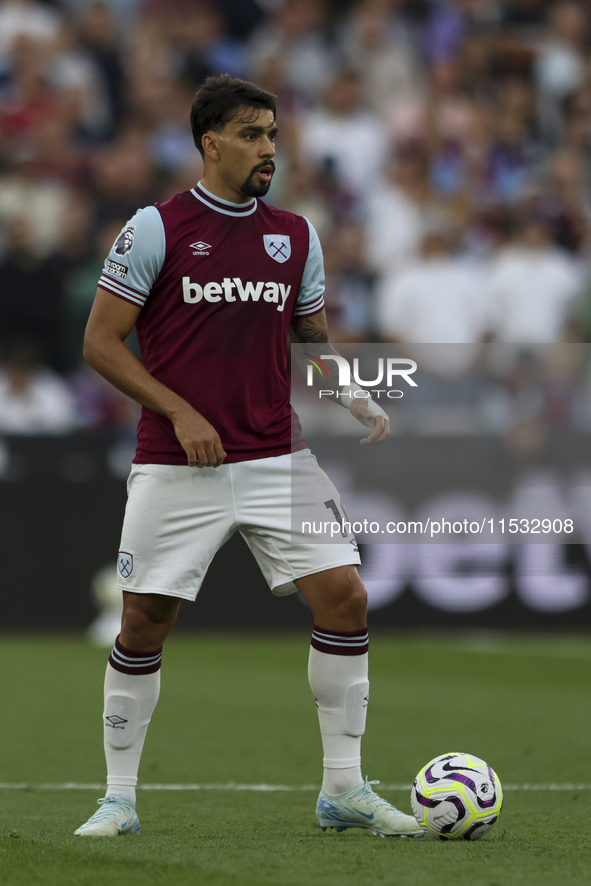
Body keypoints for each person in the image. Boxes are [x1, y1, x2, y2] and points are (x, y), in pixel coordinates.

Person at [74, 74, 422, 839]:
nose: (269, 149)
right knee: (142, 624)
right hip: (177, 460)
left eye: (272, 134)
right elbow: (100, 342)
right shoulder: (155, 228)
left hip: (276, 458)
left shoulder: (294, 235)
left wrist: (353, 393)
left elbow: (311, 341)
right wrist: (179, 409)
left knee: (347, 600)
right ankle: (119, 799)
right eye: (252, 134)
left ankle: (343, 789)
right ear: (211, 142)